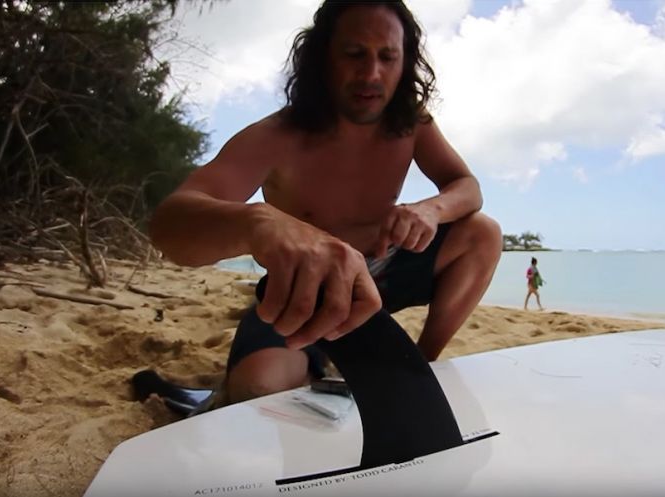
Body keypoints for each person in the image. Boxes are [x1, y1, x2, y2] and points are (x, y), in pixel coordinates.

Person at [149, 0, 502, 405]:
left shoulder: (412, 123)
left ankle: (419, 365)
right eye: (354, 54)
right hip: (302, 292)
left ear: (404, 64)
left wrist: (430, 209)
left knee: (483, 232)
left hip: (384, 277)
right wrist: (258, 223)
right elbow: (169, 225)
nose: (371, 74)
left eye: (387, 57)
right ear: (323, 60)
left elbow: (467, 187)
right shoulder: (277, 135)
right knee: (259, 388)